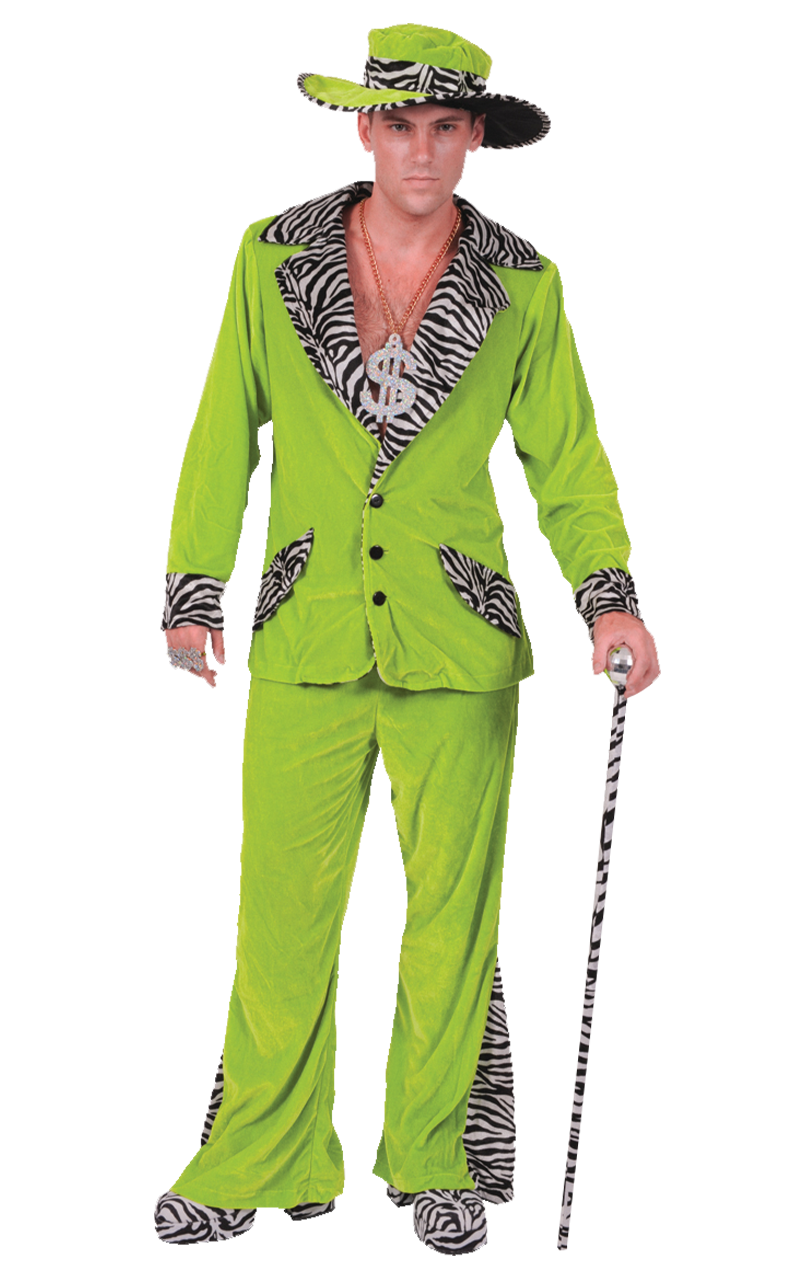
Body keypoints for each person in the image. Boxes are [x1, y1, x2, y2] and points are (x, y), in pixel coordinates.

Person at [156, 22, 661, 1253]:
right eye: (397, 124)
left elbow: (566, 463)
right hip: (307, 627)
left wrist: (609, 592)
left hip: (458, 640)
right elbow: (227, 434)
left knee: (450, 930)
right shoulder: (268, 258)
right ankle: (255, 1158)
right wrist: (194, 604)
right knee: (280, 922)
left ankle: (435, 1159)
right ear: (361, 132)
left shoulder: (523, 284)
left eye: (445, 126)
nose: (420, 149)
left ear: (475, 139)